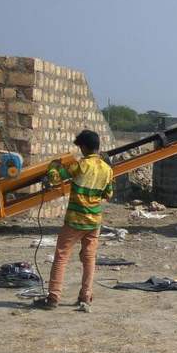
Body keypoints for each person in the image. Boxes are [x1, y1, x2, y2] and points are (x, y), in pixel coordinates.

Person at [34, 130, 114, 311]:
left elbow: (55, 179)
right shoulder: (107, 169)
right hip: (94, 222)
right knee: (89, 258)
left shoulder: (80, 165)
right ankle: (85, 296)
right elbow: (108, 194)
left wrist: (53, 165)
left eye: (80, 147)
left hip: (75, 220)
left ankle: (53, 297)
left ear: (84, 147)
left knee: (61, 256)